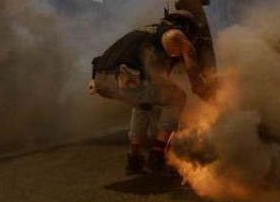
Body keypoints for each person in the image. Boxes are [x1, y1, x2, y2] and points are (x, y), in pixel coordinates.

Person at [88, 9, 216, 174]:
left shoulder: (150, 31)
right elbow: (197, 85)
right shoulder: (177, 36)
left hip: (100, 79)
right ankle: (157, 155)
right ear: (186, 28)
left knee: (144, 101)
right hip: (125, 77)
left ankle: (134, 158)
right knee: (178, 97)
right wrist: (214, 98)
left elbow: (157, 79)